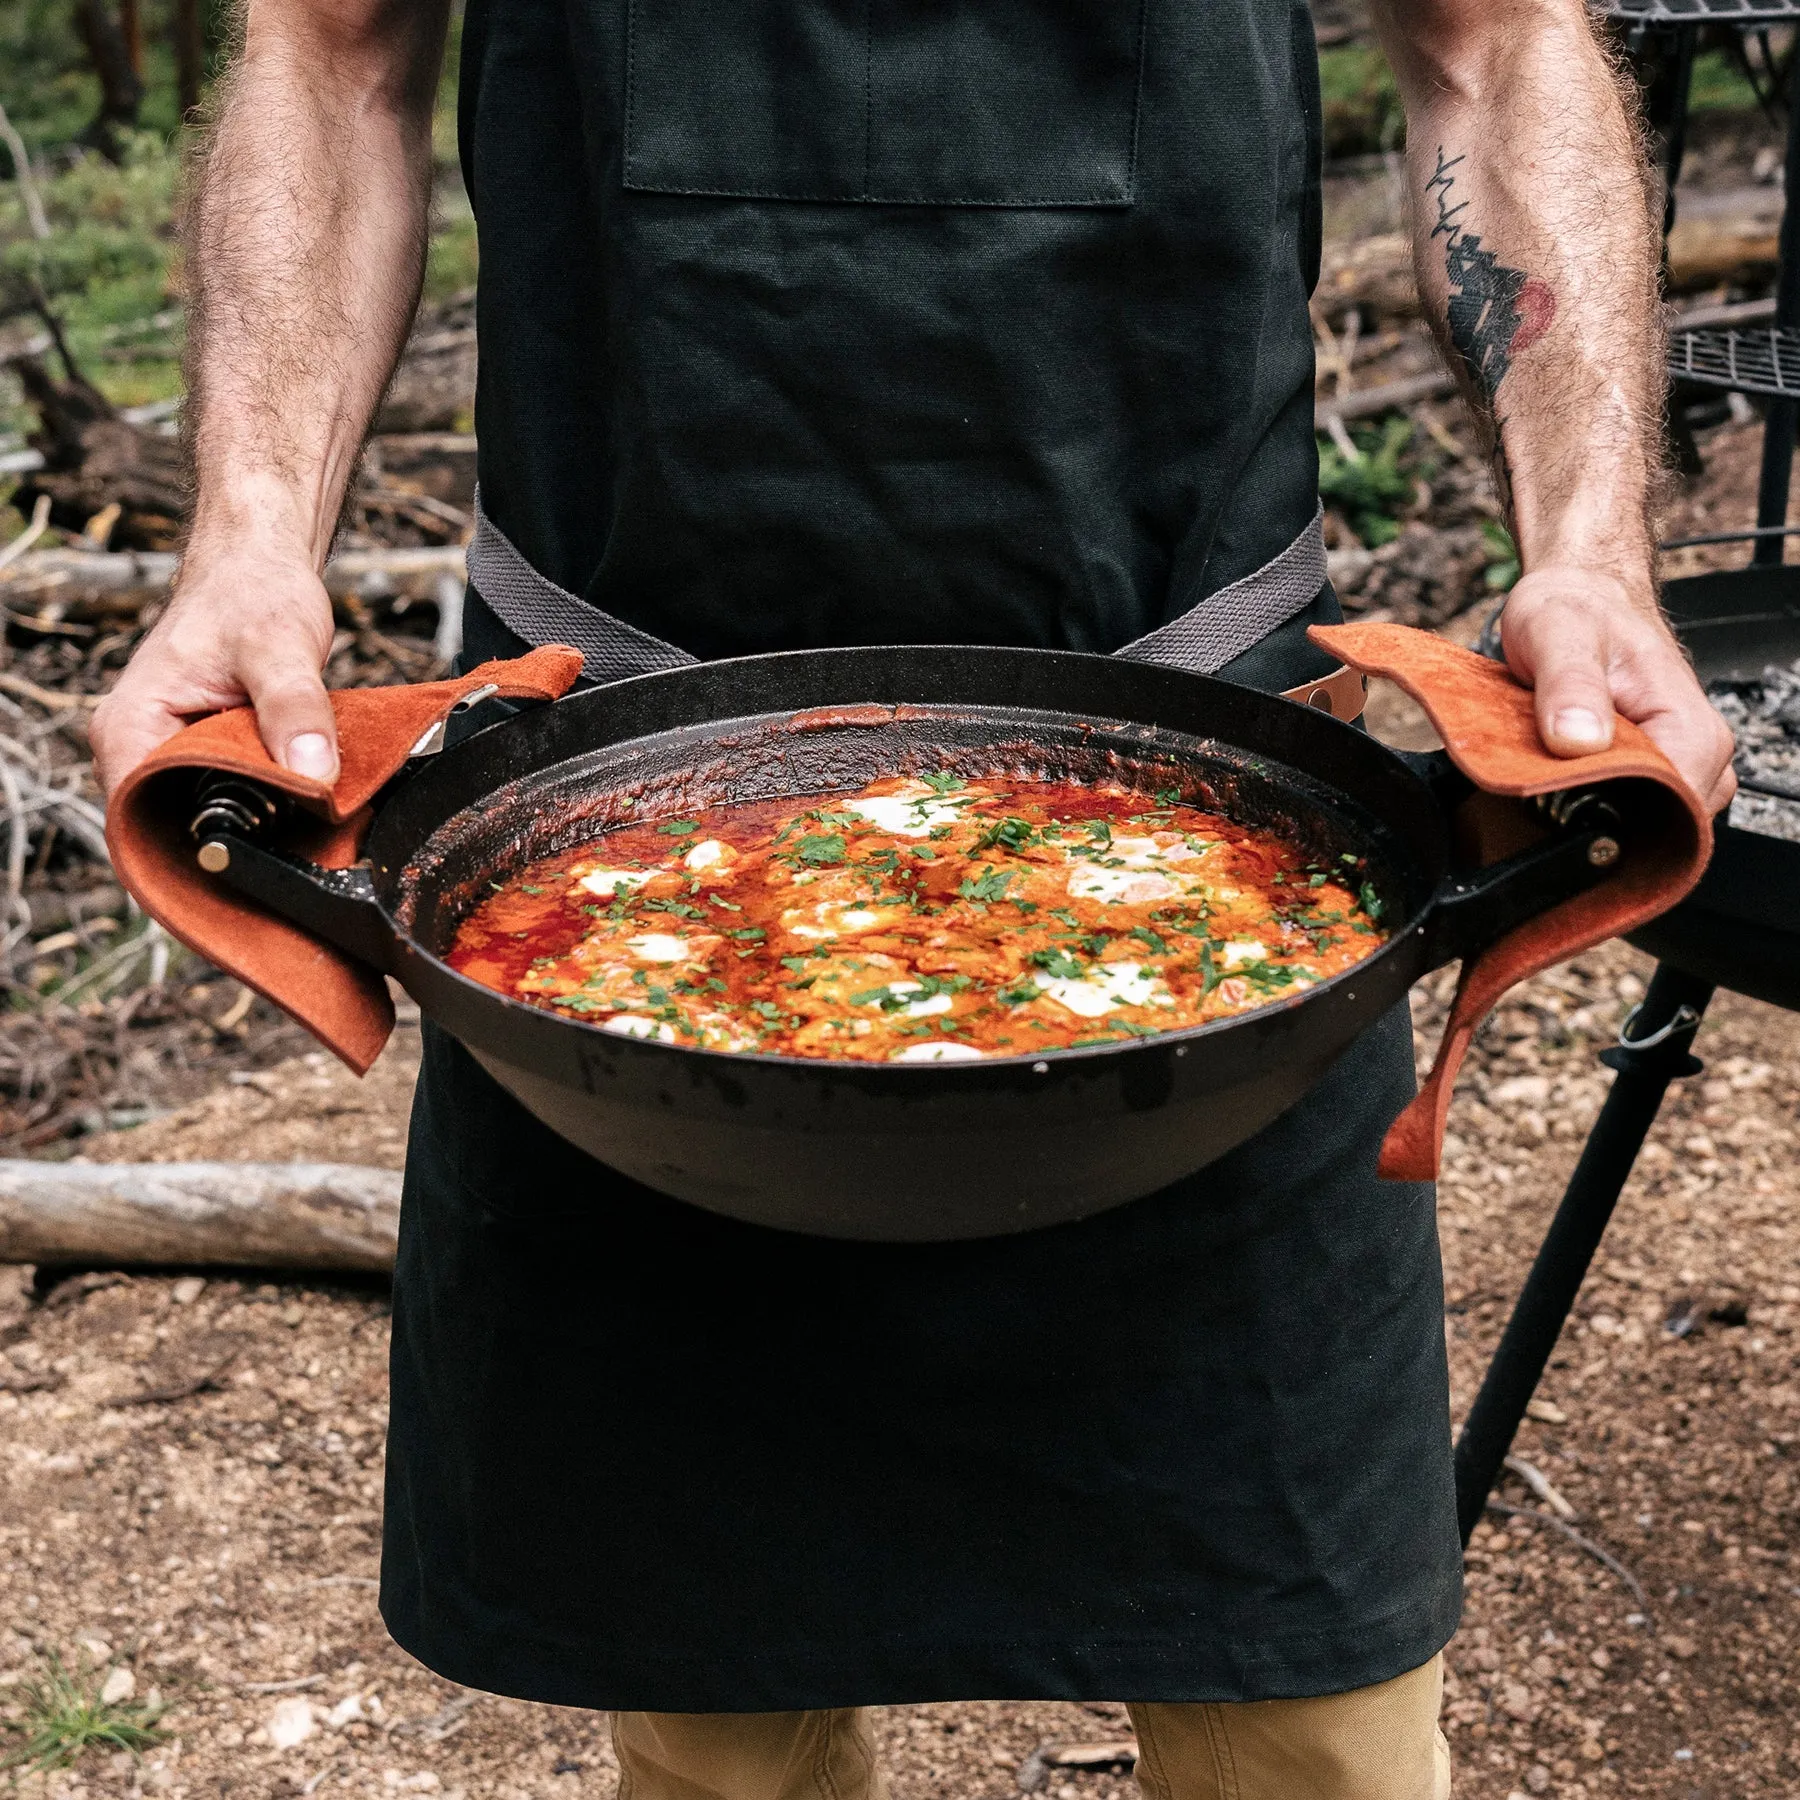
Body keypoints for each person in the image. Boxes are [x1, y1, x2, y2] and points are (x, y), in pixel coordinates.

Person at [92, 0, 1736, 1792]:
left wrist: (1589, 547)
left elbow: (1499, 45)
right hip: (608, 834)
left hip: (1220, 831)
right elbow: (326, 47)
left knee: (1313, 1722)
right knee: (713, 1717)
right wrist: (249, 537)